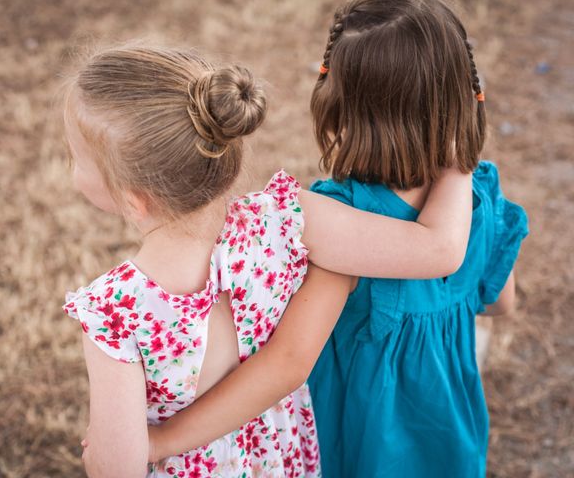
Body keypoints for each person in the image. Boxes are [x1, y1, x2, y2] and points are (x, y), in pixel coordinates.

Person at [141, 0, 529, 477]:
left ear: (338, 103)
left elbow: (287, 363)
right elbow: (499, 302)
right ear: (465, 94)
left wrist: (163, 439)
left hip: (359, 443)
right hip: (448, 436)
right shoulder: (479, 194)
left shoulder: (342, 222)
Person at [63, 41, 473, 477]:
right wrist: (458, 156)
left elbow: (116, 468)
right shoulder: (288, 220)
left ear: (133, 200)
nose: (70, 165)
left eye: (75, 157)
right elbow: (439, 250)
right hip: (279, 462)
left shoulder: (114, 313)